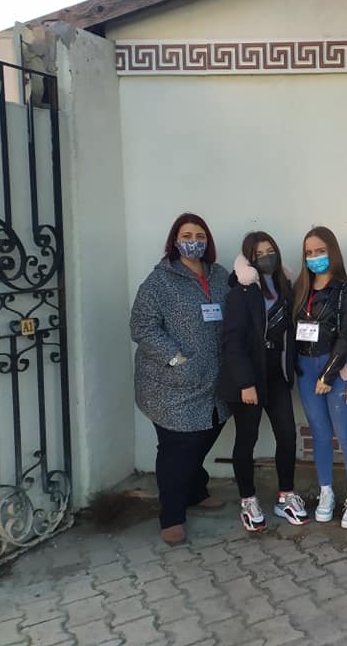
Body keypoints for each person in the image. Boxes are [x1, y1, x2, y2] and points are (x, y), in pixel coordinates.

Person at [130, 213, 231, 546]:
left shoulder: (219, 275)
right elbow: (141, 327)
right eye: (187, 235)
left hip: (211, 381)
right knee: (177, 449)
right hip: (169, 382)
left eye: (200, 236)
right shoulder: (160, 281)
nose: (194, 241)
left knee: (205, 433)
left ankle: (195, 490)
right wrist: (176, 358)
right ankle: (171, 516)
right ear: (175, 240)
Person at [219, 231, 308, 532]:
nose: (266, 257)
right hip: (248, 375)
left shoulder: (286, 288)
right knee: (247, 439)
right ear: (249, 260)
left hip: (276, 372)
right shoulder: (240, 293)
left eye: (270, 250)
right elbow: (232, 342)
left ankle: (286, 495)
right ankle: (248, 499)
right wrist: (246, 383)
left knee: (287, 434)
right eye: (258, 254)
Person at [293, 226, 347, 529]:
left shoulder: (346, 290)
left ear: (332, 252)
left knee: (345, 434)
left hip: (338, 368)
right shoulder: (300, 288)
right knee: (320, 434)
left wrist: (328, 374)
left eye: (320, 251)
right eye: (309, 253)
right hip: (306, 368)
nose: (314, 257)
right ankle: (326, 492)